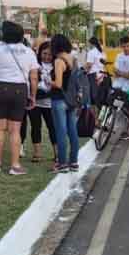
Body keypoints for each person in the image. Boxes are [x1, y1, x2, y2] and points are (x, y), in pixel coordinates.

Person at [0, 21, 39, 175]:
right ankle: (15, 165)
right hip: (19, 89)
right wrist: (33, 96)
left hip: (0, 87)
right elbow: (34, 77)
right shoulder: (29, 52)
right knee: (15, 130)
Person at [21, 41, 57, 163]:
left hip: (50, 102)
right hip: (35, 101)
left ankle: (56, 153)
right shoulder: (34, 64)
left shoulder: (57, 65)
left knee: (52, 127)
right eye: (44, 53)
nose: (47, 57)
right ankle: (37, 153)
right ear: (39, 53)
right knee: (36, 127)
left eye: (50, 54)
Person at [50, 33, 80, 173]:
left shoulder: (58, 61)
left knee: (61, 132)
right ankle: (74, 162)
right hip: (72, 99)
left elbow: (58, 83)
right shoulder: (73, 59)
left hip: (59, 99)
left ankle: (62, 163)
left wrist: (47, 81)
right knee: (72, 131)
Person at [85, 37, 106, 106]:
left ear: (91, 44)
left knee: (93, 98)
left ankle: (94, 115)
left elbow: (89, 66)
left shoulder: (91, 52)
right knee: (100, 96)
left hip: (93, 77)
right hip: (102, 76)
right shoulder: (102, 52)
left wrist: (84, 73)